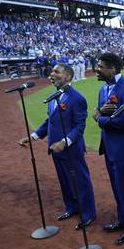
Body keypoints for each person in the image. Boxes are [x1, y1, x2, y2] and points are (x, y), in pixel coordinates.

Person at [18, 64, 97, 230]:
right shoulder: (53, 96)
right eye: (52, 72)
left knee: (80, 182)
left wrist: (64, 142)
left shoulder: (77, 99)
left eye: (56, 72)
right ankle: (72, 207)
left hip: (71, 149)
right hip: (55, 148)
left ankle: (88, 214)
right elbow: (50, 121)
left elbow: (79, 126)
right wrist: (33, 136)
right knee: (64, 181)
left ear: (68, 77)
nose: (51, 75)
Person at [93, 52, 124, 245]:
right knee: (116, 187)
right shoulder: (103, 89)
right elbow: (98, 109)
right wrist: (100, 115)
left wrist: (100, 118)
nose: (97, 69)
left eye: (100, 66)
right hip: (110, 147)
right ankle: (123, 220)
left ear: (112, 69)